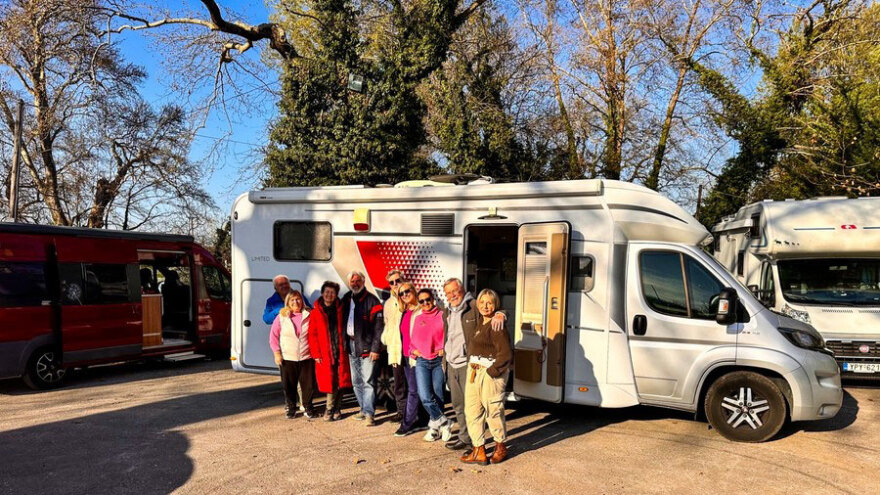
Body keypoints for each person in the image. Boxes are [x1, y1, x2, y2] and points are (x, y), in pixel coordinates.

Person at [441, 278, 506, 452]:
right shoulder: (446, 311)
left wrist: (502, 314)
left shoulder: (473, 305)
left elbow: (492, 311)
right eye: (448, 293)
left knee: (476, 407)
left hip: (468, 364)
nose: (452, 295)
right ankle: (465, 438)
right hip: (451, 363)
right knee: (458, 405)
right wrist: (444, 360)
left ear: (462, 289)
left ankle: (478, 442)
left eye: (455, 291)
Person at [460, 289, 513, 465]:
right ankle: (479, 450)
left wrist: (492, 372)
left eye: (489, 302)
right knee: (473, 411)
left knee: (493, 411)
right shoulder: (480, 322)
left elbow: (505, 354)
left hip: (489, 372)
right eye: (482, 302)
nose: (485, 306)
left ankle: (500, 446)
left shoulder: (497, 325)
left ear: (495, 305)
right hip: (473, 371)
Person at [341, 271, 384, 426]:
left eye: (358, 280)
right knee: (356, 381)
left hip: (367, 346)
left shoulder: (372, 301)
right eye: (352, 281)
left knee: (368, 381)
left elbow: (379, 328)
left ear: (363, 281)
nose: (355, 283)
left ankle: (370, 414)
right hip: (351, 345)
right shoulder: (346, 298)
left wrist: (375, 348)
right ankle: (363, 409)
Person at [410, 288, 453, 443]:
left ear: (433, 299)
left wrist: (445, 348)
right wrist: (413, 351)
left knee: (438, 396)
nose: (425, 303)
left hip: (437, 361)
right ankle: (445, 423)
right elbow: (412, 341)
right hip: (422, 361)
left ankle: (434, 430)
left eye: (428, 299)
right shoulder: (417, 318)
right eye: (421, 301)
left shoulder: (442, 316)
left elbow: (450, 336)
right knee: (425, 396)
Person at [307, 281, 352, 421]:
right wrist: (316, 354)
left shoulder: (342, 308)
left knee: (341, 381)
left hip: (341, 351)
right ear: (322, 293)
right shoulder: (316, 312)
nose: (329, 295)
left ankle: (337, 408)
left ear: (336, 295)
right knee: (330, 382)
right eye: (327, 292)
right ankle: (329, 409)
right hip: (325, 354)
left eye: (332, 292)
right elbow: (312, 334)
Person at [269, 291, 316, 419]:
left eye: (298, 299)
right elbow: (273, 337)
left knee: (308, 385)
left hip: (306, 357)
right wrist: (277, 353)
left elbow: (316, 334)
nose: (296, 302)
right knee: (289, 385)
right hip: (287, 357)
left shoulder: (309, 315)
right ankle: (291, 407)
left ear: (302, 301)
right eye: (292, 300)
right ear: (288, 302)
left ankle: (308, 407)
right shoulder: (281, 317)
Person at [392, 281, 428, 437]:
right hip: (406, 356)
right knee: (414, 389)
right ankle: (423, 420)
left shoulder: (422, 311)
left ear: (414, 291)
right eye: (401, 293)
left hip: (417, 356)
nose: (405, 294)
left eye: (407, 291)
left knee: (413, 390)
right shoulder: (404, 312)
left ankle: (407, 423)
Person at [380, 270, 406, 423]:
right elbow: (388, 325)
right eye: (392, 282)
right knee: (399, 384)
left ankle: (415, 414)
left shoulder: (411, 298)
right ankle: (401, 412)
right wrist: (388, 343)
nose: (395, 284)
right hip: (395, 349)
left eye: (398, 280)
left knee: (414, 386)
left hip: (411, 350)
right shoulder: (388, 304)